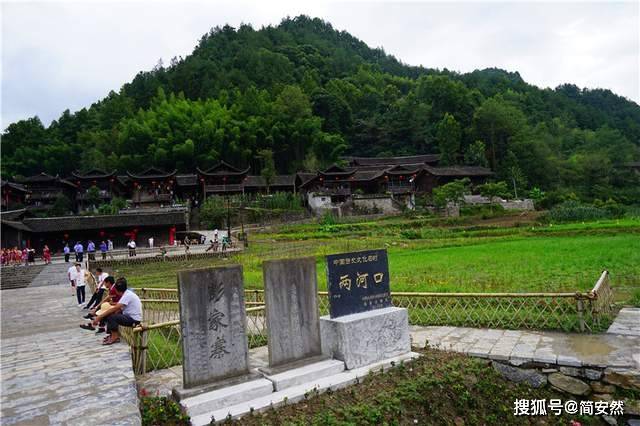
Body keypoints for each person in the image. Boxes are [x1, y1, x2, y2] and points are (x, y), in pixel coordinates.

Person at [91, 278, 142, 345]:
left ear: (117, 290)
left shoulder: (127, 295)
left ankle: (115, 337)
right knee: (110, 314)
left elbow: (115, 308)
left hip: (134, 320)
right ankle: (111, 335)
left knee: (112, 317)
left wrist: (99, 317)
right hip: (129, 316)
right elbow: (118, 308)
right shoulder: (126, 293)